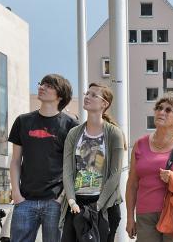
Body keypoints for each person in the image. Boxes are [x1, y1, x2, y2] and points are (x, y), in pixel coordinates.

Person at [8, 74, 78, 242]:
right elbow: (16, 160)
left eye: (49, 85)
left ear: (60, 95)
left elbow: (75, 166)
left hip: (55, 202)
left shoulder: (71, 125)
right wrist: (16, 194)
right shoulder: (22, 121)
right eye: (42, 83)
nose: (42, 87)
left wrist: (61, 198)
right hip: (25, 200)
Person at [125, 93, 173, 241]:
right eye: (159, 108)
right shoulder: (140, 144)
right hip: (145, 216)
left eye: (168, 110)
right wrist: (129, 217)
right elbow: (132, 183)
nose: (161, 112)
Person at [60, 83, 125, 242]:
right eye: (86, 94)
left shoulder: (114, 133)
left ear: (104, 104)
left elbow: (115, 174)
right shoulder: (74, 133)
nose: (87, 97)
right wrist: (71, 201)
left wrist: (98, 205)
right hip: (76, 204)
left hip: (105, 205)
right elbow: (67, 170)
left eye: (93, 95)